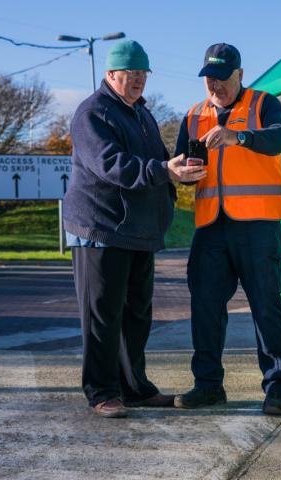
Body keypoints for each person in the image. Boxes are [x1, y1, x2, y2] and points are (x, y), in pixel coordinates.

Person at [63, 40, 206, 418]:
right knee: (102, 316)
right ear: (111, 75)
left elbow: (159, 163)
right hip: (101, 229)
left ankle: (134, 388)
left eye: (143, 74)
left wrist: (181, 173)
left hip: (139, 232)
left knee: (137, 316)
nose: (139, 81)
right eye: (132, 74)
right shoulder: (92, 113)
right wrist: (163, 171)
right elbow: (112, 165)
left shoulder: (142, 114)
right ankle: (101, 392)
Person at [174, 43, 281, 415]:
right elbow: (183, 163)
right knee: (205, 308)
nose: (215, 86)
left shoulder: (263, 104)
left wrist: (238, 136)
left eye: (222, 78)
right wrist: (183, 174)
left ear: (240, 74)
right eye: (209, 78)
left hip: (257, 225)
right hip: (211, 226)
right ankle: (208, 386)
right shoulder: (193, 115)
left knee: (266, 308)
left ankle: (276, 389)